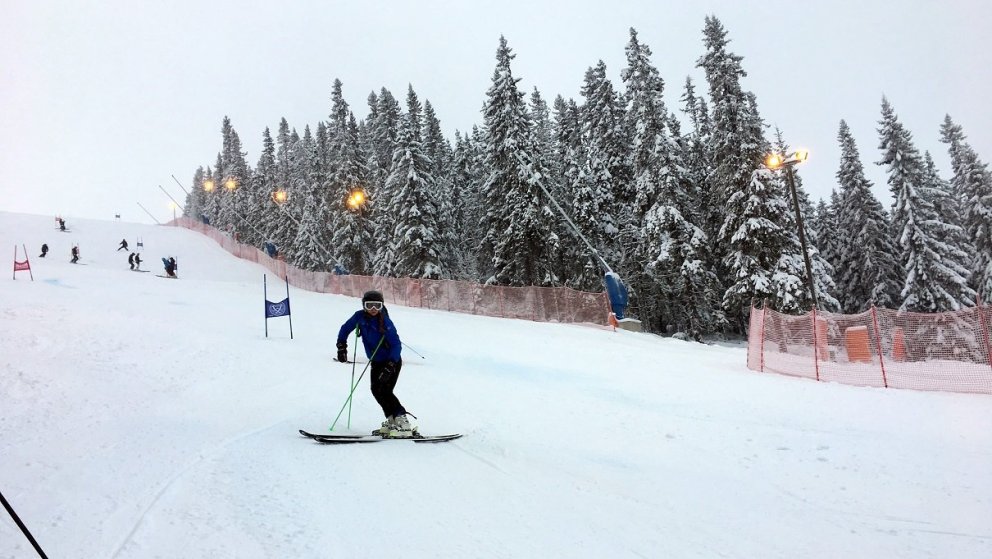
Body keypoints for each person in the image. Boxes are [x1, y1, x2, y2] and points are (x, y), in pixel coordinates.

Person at [336, 290, 412, 436]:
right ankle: (392, 421)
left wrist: (390, 365)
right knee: (376, 390)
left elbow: (396, 344)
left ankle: (403, 422)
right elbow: (345, 329)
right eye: (369, 305)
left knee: (385, 390)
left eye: (377, 305)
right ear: (364, 305)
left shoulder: (385, 321)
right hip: (376, 361)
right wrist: (341, 346)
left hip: (391, 361)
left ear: (381, 306)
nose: (373, 309)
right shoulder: (359, 317)